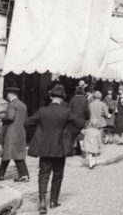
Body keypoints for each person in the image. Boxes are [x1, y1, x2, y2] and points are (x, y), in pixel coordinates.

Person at [25, 85, 85, 213]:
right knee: (58, 174)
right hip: (60, 147)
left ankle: (41, 202)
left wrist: (39, 134)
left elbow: (27, 123)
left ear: (51, 97)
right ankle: (53, 201)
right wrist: (69, 134)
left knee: (43, 174)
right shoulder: (66, 111)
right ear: (62, 98)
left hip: (45, 147)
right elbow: (80, 123)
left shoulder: (42, 110)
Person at [0, 87, 29, 182]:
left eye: (7, 93)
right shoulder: (23, 104)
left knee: (10, 153)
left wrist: (2, 117)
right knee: (11, 153)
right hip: (21, 131)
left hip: (11, 132)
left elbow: (10, 117)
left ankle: (24, 175)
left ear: (11, 94)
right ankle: (0, 174)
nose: (6, 95)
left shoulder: (12, 104)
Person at [85, 91, 110, 168]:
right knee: (98, 138)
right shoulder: (103, 104)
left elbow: (87, 113)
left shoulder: (90, 104)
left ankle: (91, 154)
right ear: (100, 97)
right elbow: (106, 114)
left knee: (92, 139)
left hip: (92, 123)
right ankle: (97, 151)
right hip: (100, 123)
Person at [68, 86, 89, 156]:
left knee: (73, 135)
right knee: (81, 135)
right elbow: (87, 111)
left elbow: (69, 110)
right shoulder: (85, 99)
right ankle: (82, 151)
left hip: (73, 120)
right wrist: (87, 119)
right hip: (82, 120)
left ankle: (72, 151)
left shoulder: (72, 99)